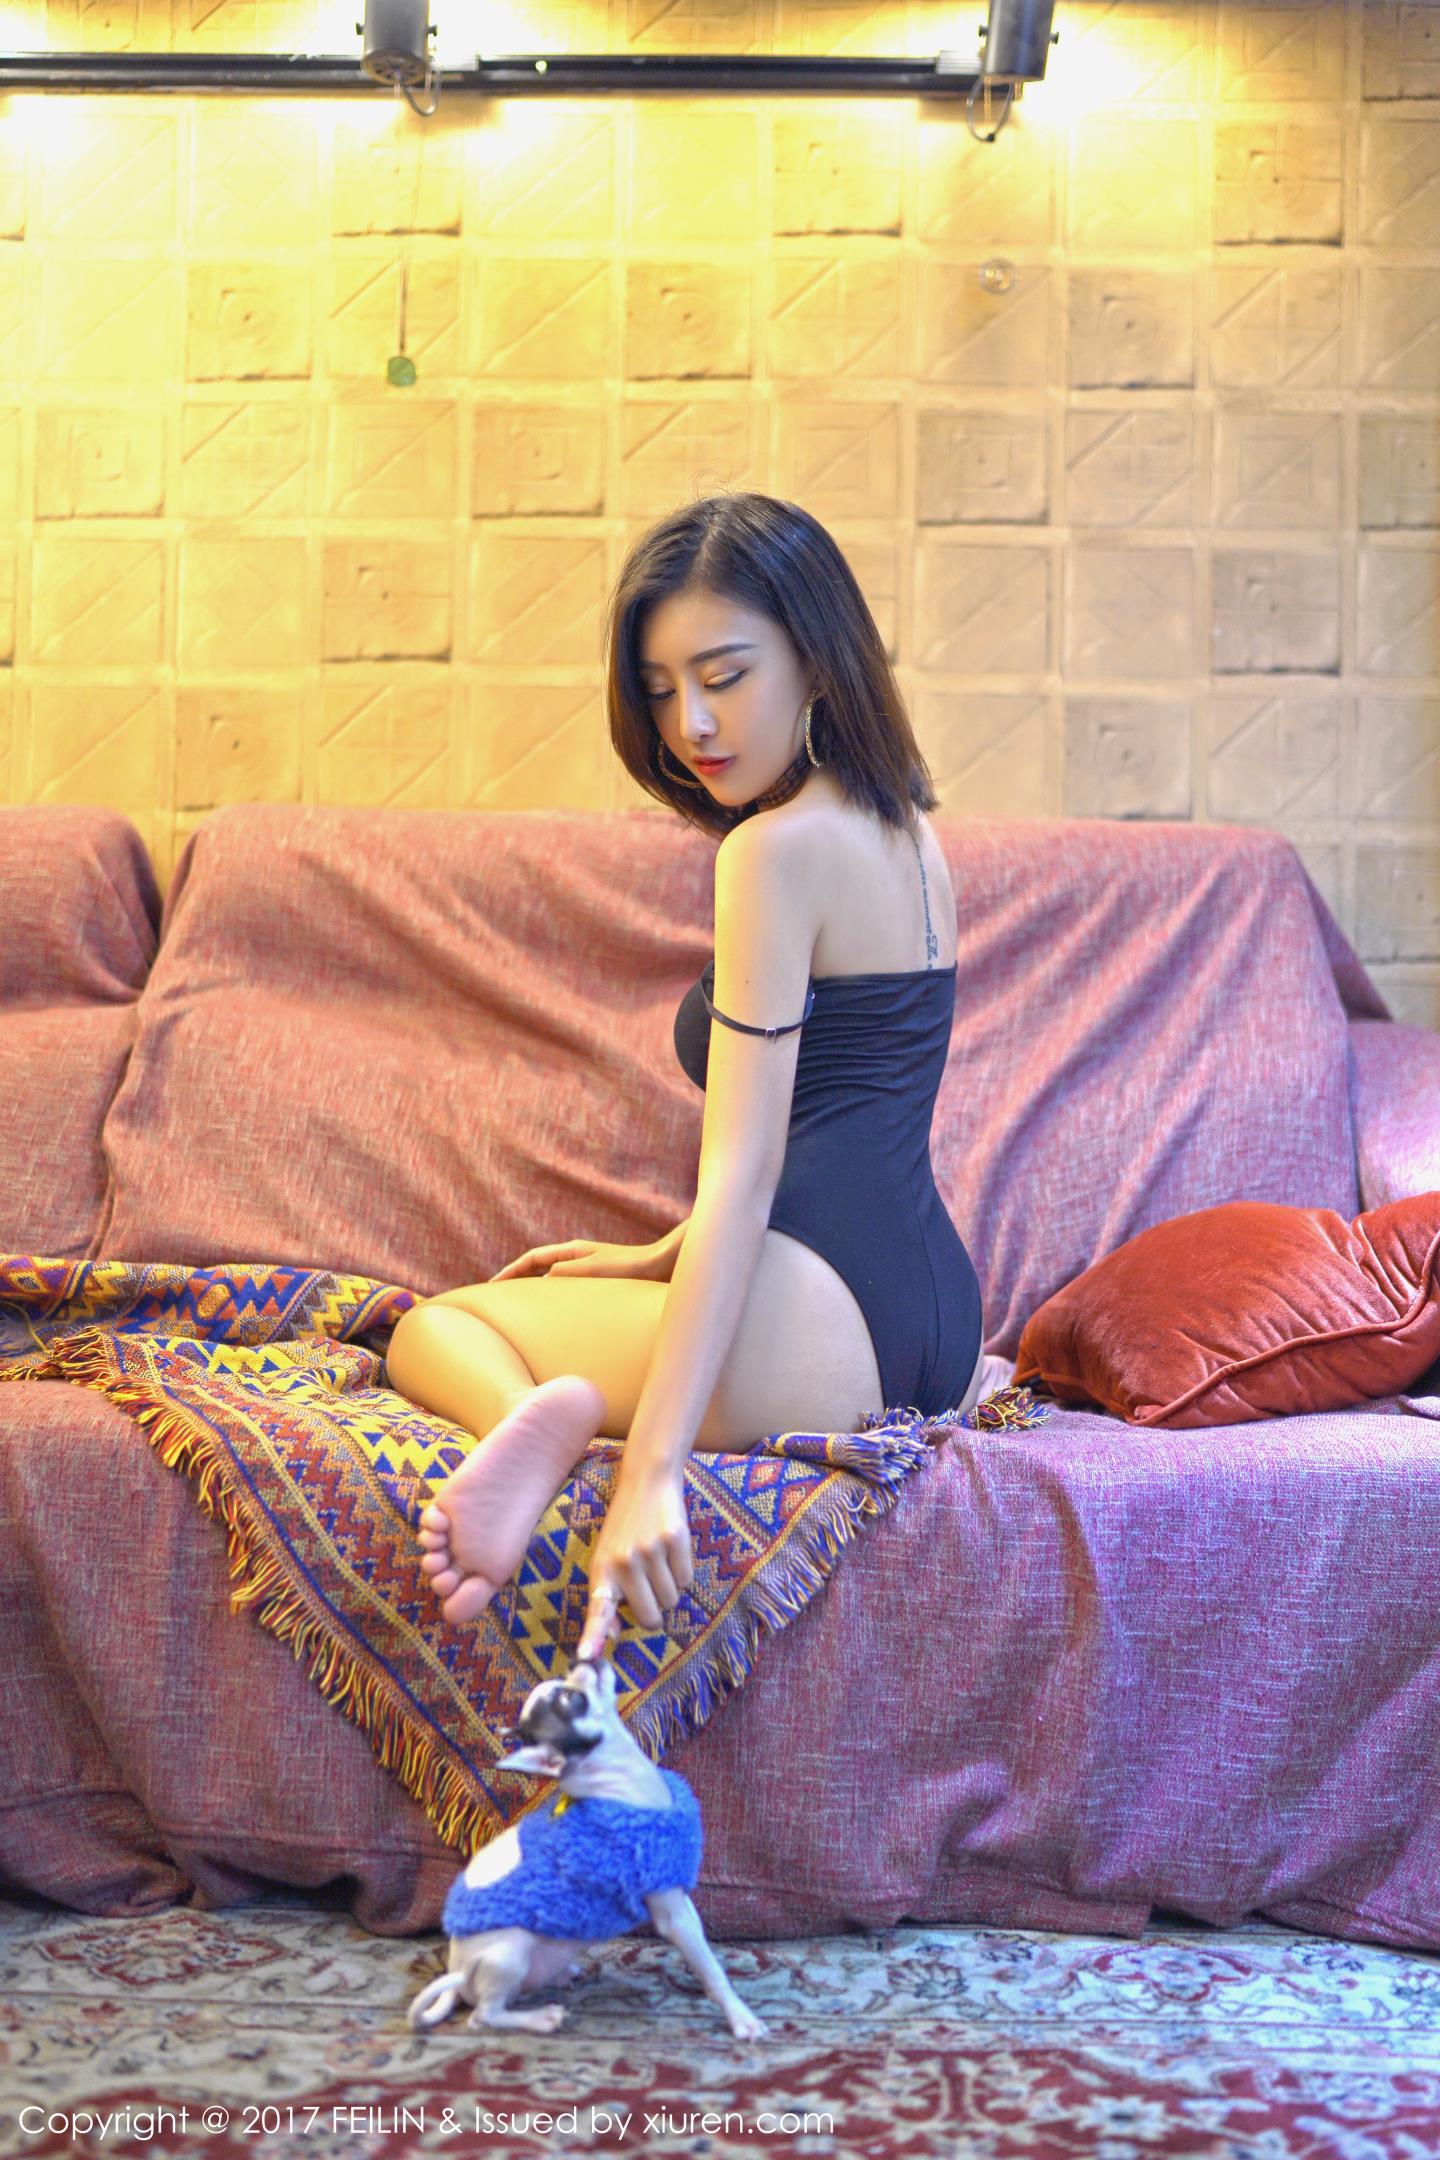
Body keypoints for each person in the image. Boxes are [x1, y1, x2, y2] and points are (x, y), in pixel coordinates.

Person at [384, 491, 987, 1665]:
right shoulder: (909, 831)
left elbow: (753, 1170)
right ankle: (570, 1412)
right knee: (545, 1305)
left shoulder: (772, 852)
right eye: (661, 689)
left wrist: (651, 1473)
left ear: (817, 658)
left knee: (435, 1328)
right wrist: (652, 1256)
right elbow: (851, 1122)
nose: (690, 723)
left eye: (723, 675)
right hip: (942, 1326)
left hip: (811, 1334)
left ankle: (537, 1427)